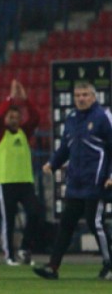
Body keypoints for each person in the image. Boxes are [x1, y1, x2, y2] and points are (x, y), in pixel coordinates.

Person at [34, 81, 112, 281]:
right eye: (78, 95)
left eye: (85, 94)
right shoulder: (71, 119)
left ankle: (109, 263)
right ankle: (53, 266)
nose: (81, 98)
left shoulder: (103, 117)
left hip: (96, 181)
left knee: (96, 224)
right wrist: (52, 163)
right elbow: (65, 148)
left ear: (94, 97)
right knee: (66, 225)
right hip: (75, 183)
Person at [0, 79, 42, 266]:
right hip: (6, 183)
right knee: (9, 222)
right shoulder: (0, 134)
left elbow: (36, 117)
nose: (13, 120)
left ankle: (25, 248)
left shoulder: (24, 132)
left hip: (25, 182)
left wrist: (25, 99)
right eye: (10, 117)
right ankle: (9, 255)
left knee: (35, 213)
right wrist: (10, 98)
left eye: (16, 117)